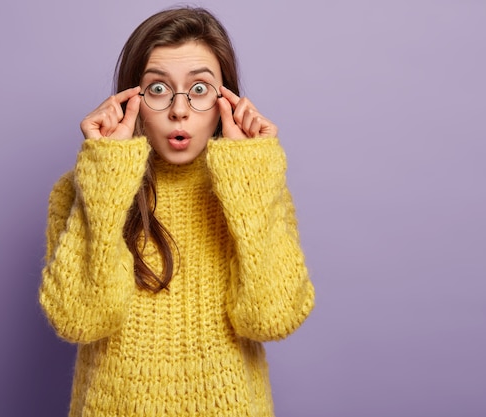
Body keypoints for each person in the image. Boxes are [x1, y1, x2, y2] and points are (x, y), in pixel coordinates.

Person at [38, 6, 315, 417]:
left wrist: (251, 176)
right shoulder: (81, 188)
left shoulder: (257, 187)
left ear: (229, 101)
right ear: (130, 99)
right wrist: (106, 178)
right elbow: (79, 319)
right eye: (158, 89)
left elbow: (272, 320)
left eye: (200, 89)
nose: (179, 110)